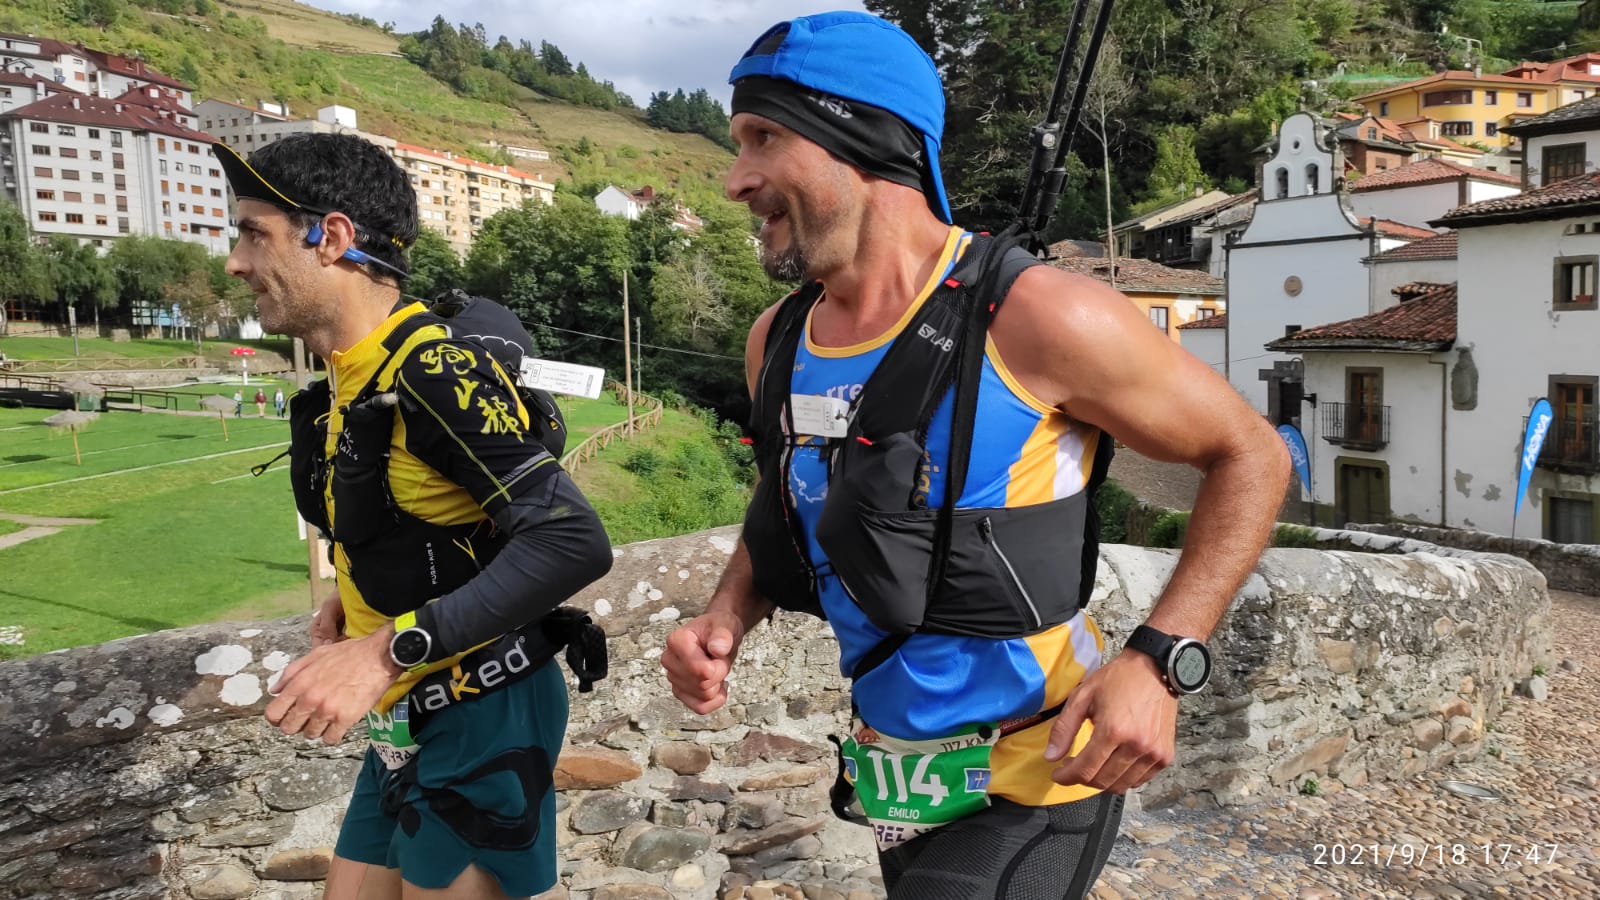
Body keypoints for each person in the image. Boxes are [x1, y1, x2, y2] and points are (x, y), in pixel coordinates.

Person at [660, 11, 1289, 900]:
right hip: (898, 777)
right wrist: (728, 614)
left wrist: (1159, 659)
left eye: (764, 136)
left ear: (864, 136)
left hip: (1043, 767)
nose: (736, 179)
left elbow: (1251, 454)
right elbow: (787, 495)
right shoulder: (779, 340)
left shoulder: (1038, 316)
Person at [218, 132, 613, 900]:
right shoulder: (349, 378)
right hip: (405, 715)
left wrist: (379, 655)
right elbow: (421, 514)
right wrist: (365, 587)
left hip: (480, 704)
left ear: (331, 237)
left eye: (253, 234)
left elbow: (574, 540)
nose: (236, 261)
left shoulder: (432, 371)